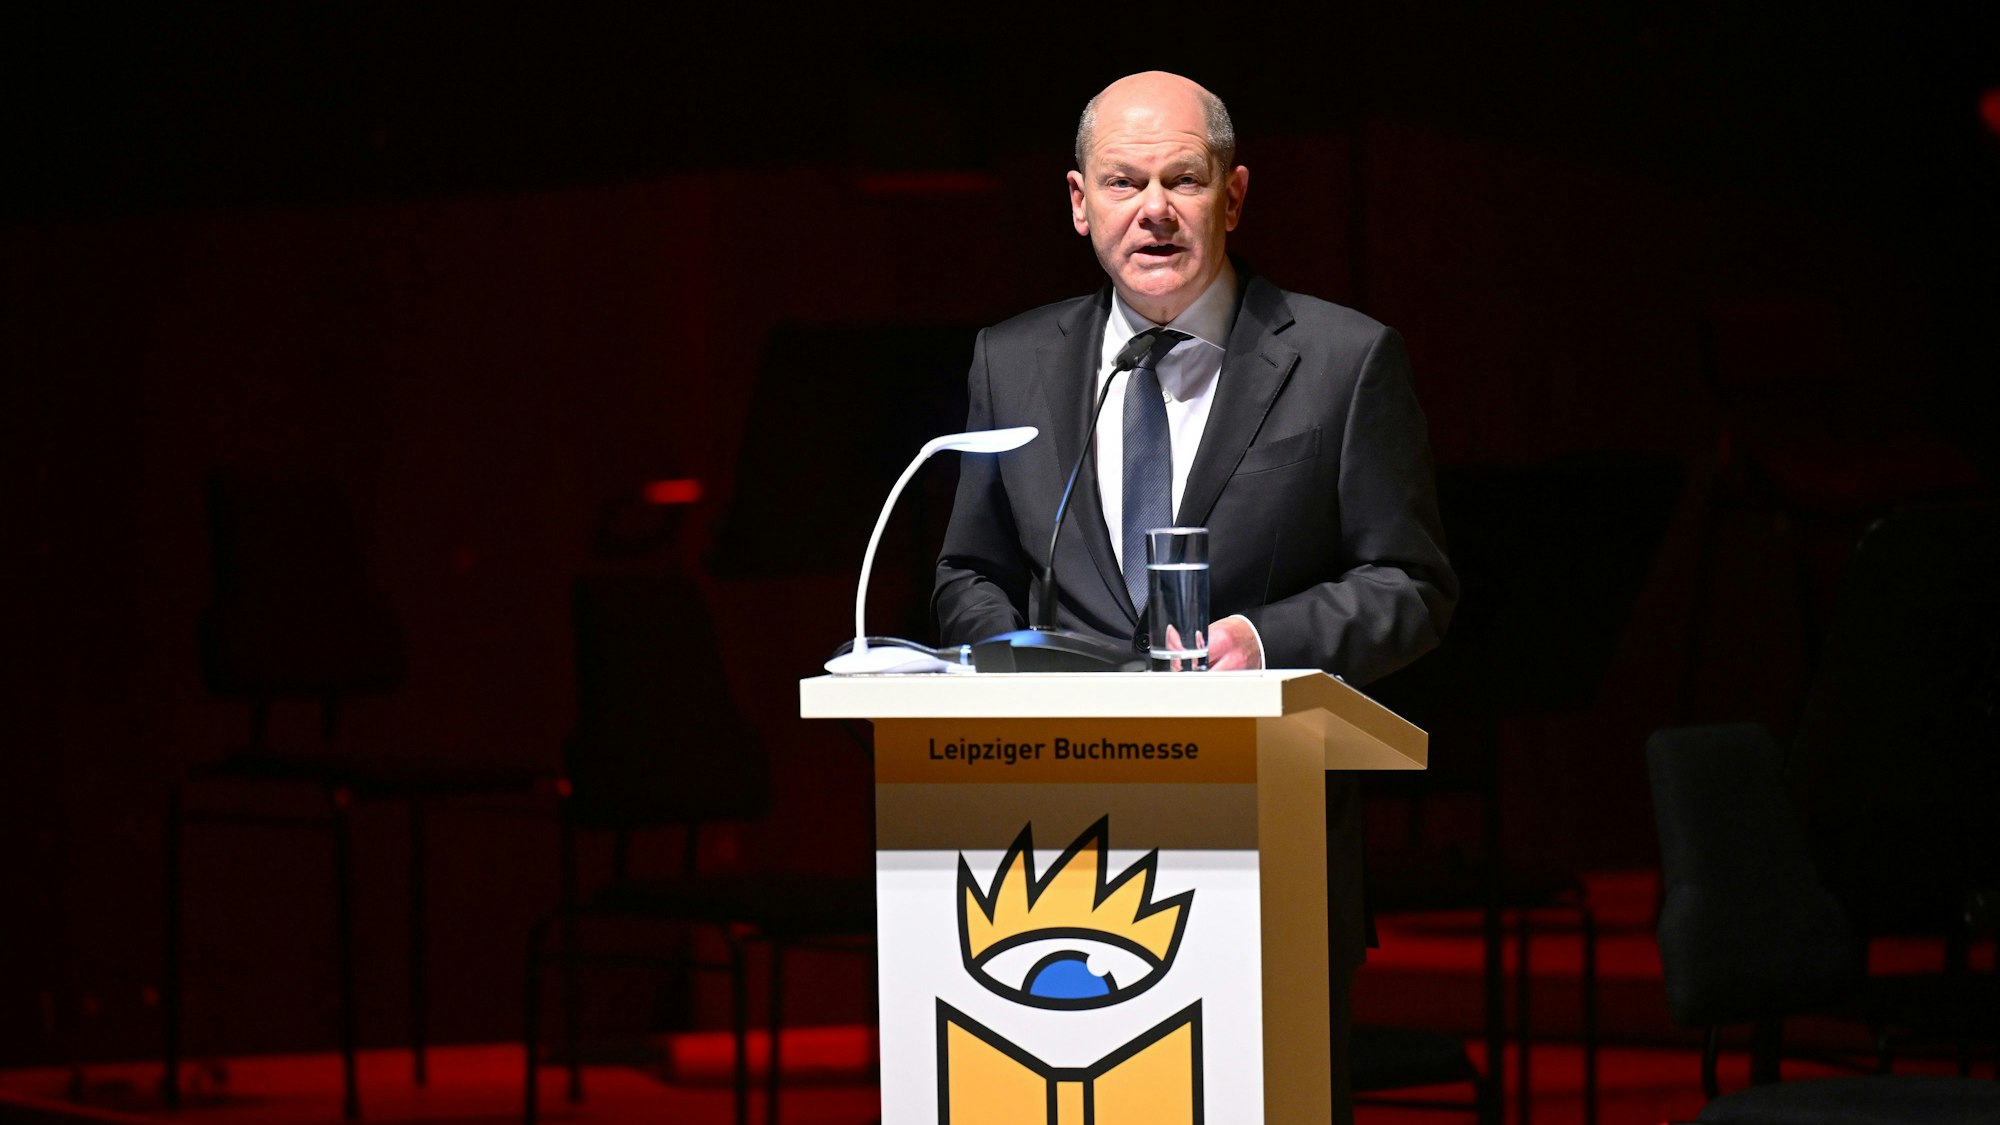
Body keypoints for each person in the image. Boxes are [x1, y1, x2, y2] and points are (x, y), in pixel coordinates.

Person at [932, 71, 1458, 1121]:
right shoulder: (1011, 361)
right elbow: (966, 574)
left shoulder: (1343, 361)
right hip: (1045, 858)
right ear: (1078, 202)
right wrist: (1022, 664)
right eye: (1124, 182)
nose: (1153, 209)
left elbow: (1410, 583)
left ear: (1234, 193)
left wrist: (1260, 643)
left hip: (1262, 847)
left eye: (1182, 178)